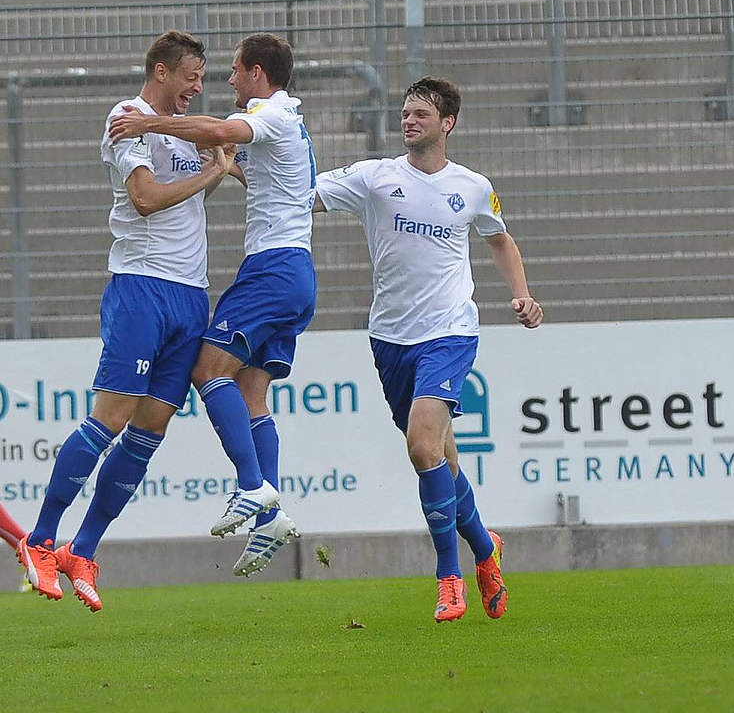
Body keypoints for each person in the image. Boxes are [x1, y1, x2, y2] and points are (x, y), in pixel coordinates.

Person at [313, 76, 542, 622]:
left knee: (421, 447)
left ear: (448, 124)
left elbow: (499, 237)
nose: (409, 119)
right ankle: (486, 551)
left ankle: (449, 578)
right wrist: (233, 166)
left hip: (449, 331)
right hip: (391, 337)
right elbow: (301, 195)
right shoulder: (373, 177)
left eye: (421, 113)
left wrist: (522, 295)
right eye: (406, 111)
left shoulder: (472, 186)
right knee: (441, 459)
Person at [17, 31, 231, 611]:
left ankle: (83, 549)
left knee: (150, 430)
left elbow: (190, 193)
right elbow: (145, 198)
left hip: (191, 297)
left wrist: (219, 162)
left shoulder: (179, 132)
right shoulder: (129, 115)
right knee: (109, 418)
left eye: (203, 78)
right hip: (141, 288)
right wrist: (214, 174)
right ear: (161, 71)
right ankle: (39, 541)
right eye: (190, 76)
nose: (197, 88)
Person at [109, 33, 315, 575]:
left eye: (233, 71)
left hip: (273, 268)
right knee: (251, 388)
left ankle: (251, 487)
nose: (225, 81)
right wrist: (221, 163)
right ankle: (270, 515)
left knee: (206, 367)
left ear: (256, 73)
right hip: (294, 270)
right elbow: (245, 165)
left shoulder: (271, 113)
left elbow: (223, 129)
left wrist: (149, 123)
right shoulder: (285, 122)